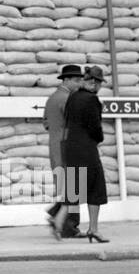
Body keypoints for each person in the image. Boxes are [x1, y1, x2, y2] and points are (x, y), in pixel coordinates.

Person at [53, 65, 110, 242]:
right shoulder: (92, 100)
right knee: (96, 187)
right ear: (94, 82)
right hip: (86, 149)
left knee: (73, 188)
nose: (99, 87)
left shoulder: (73, 97)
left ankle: (59, 221)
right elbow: (95, 127)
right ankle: (93, 229)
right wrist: (99, 138)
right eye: (99, 83)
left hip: (70, 148)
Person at [44, 64, 85, 237]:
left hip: (54, 144)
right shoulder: (67, 99)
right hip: (67, 145)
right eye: (76, 81)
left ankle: (59, 217)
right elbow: (75, 124)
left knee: (67, 184)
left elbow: (46, 123)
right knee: (75, 184)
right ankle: (67, 225)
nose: (79, 84)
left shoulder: (52, 98)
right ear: (66, 80)